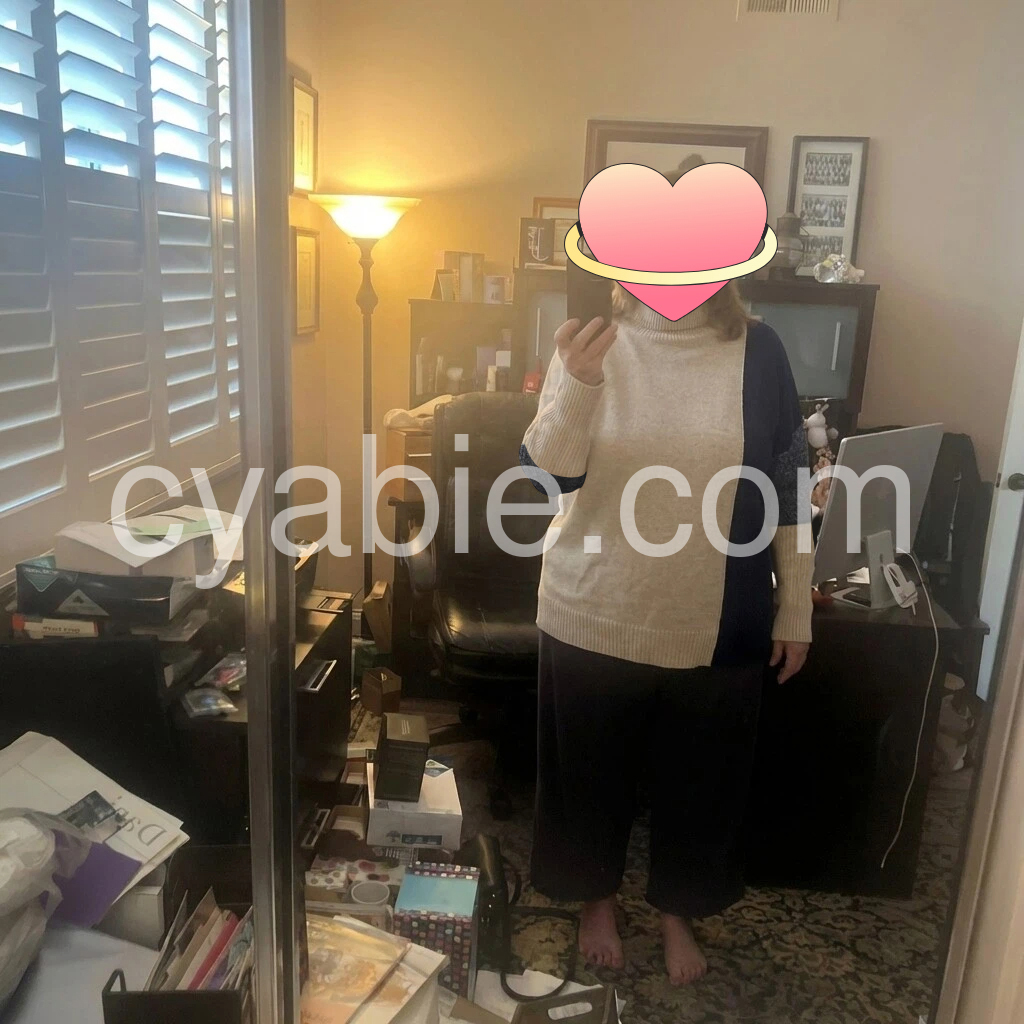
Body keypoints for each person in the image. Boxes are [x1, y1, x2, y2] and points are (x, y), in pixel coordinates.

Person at [520, 205, 813, 985]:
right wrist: (579, 384)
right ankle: (597, 901)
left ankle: (677, 910)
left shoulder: (760, 350)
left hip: (717, 615)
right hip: (592, 604)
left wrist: (796, 604)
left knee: (705, 783)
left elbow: (790, 483)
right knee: (588, 780)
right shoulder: (589, 340)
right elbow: (548, 474)